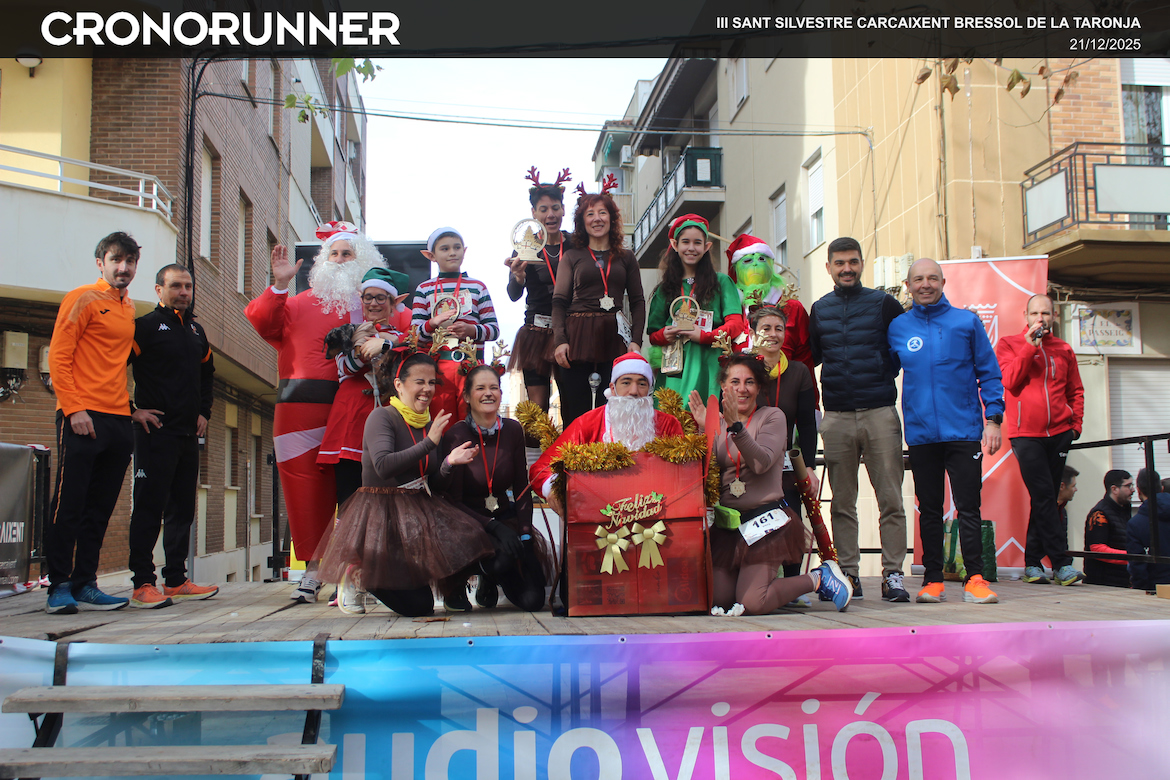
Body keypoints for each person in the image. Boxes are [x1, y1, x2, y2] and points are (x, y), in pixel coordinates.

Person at [245, 221, 387, 603]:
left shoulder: (372, 304)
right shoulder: (294, 303)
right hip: (300, 406)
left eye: (347, 253)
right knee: (304, 489)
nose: (339, 260)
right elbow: (262, 321)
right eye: (333, 253)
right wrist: (279, 285)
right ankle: (311, 571)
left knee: (357, 489)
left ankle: (356, 573)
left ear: (363, 260)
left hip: (356, 407)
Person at [314, 352, 495, 616]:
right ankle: (357, 573)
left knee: (423, 602)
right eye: (419, 382)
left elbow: (435, 483)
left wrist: (449, 463)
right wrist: (429, 443)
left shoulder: (429, 424)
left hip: (414, 513)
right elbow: (383, 466)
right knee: (417, 607)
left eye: (432, 382)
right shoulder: (382, 417)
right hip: (382, 514)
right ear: (399, 385)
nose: (427, 389)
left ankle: (381, 576)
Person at [686, 355, 852, 615]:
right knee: (717, 599)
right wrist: (702, 430)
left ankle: (818, 578)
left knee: (754, 602)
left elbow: (761, 463)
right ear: (723, 387)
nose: (742, 389)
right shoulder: (716, 422)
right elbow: (707, 471)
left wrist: (736, 427)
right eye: (735, 382)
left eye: (750, 382)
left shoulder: (773, 416)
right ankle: (750, 580)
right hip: (730, 524)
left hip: (765, 521)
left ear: (760, 387)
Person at [888, 258, 1004, 605]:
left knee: (969, 507)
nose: (925, 284)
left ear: (943, 282)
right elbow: (882, 371)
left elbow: (989, 372)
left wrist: (993, 419)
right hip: (922, 433)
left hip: (963, 431)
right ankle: (933, 580)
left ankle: (975, 579)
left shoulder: (966, 322)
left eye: (932, 278)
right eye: (918, 279)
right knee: (929, 509)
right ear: (908, 286)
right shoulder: (898, 327)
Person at [530, 352, 682, 613]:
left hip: (655, 527)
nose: (633, 391)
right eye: (626, 382)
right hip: (600, 528)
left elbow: (684, 472)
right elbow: (541, 468)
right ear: (612, 387)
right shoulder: (587, 423)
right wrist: (553, 488)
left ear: (650, 389)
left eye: (642, 383)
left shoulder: (668, 425)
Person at [43, 232, 140, 613]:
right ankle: (58, 585)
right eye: (116, 260)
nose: (123, 267)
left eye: (130, 261)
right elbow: (58, 356)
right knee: (69, 503)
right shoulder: (82, 298)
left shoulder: (128, 308)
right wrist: (73, 408)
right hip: (82, 416)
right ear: (101, 263)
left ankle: (85, 582)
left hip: (118, 420)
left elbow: (117, 364)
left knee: (100, 509)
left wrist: (132, 410)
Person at [808, 236, 909, 602]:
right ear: (829, 267)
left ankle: (893, 574)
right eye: (840, 263)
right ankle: (848, 574)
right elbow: (813, 357)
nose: (847, 268)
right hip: (836, 416)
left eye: (853, 262)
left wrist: (880, 374)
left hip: (879, 412)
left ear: (862, 263)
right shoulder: (820, 309)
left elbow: (901, 352)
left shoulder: (885, 304)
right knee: (841, 503)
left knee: (891, 499)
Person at [125, 264, 219, 609]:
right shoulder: (145, 327)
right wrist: (131, 409)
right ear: (159, 290)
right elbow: (113, 366)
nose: (183, 292)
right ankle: (142, 583)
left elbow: (208, 375)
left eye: (188, 286)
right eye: (176, 286)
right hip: (154, 433)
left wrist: (204, 412)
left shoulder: (196, 331)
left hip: (186, 434)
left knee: (182, 509)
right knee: (149, 508)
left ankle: (176, 580)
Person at [439, 365, 553, 611]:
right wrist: (493, 526)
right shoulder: (456, 435)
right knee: (500, 557)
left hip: (503, 518)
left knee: (533, 600)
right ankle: (467, 579)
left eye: (494, 388)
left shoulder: (512, 430)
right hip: (467, 523)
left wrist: (525, 534)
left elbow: (521, 486)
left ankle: (493, 578)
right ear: (467, 396)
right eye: (480, 388)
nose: (488, 393)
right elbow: (452, 501)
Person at [996, 294, 1086, 586]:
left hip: (1059, 433)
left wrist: (1075, 426)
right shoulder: (1010, 344)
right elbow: (1010, 381)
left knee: (1044, 498)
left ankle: (1033, 564)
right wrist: (1029, 347)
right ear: (1026, 316)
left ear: (1054, 317)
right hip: (1026, 435)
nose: (1040, 319)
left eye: (1045, 313)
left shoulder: (1064, 349)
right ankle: (1061, 564)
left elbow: (1076, 390)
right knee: (1045, 496)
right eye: (1035, 313)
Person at [551, 178, 645, 426]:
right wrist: (560, 340)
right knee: (575, 410)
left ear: (612, 218)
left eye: (602, 212)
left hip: (614, 337)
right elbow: (559, 302)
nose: (597, 219)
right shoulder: (572, 256)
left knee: (615, 408)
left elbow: (637, 301)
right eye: (590, 214)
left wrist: (636, 341)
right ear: (582, 222)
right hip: (577, 337)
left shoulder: (626, 257)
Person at [749, 306, 820, 601]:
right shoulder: (744, 369)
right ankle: (754, 581)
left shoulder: (799, 371)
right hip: (751, 459)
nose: (773, 334)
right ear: (753, 333)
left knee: (792, 518)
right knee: (753, 518)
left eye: (779, 329)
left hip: (787, 463)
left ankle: (793, 583)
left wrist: (809, 466)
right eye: (766, 328)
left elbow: (807, 424)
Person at [646, 214, 745, 401]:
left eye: (697, 243)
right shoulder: (664, 288)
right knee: (672, 414)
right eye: (685, 242)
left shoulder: (722, 282)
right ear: (675, 245)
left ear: (706, 247)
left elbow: (736, 324)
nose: (691, 248)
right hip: (674, 366)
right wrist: (664, 335)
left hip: (710, 363)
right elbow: (653, 334)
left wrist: (706, 336)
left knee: (708, 413)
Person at [410, 227, 500, 420]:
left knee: (473, 420)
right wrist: (432, 323)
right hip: (437, 369)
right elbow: (414, 336)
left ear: (464, 251)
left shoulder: (477, 287)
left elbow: (493, 330)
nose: (452, 253)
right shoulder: (424, 289)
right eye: (445, 249)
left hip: (471, 367)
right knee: (441, 420)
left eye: (457, 247)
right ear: (431, 255)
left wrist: (471, 330)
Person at [505, 167, 572, 413]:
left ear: (563, 209)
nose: (550, 215)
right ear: (533, 213)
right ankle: (536, 442)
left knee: (571, 402)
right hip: (536, 331)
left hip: (568, 331)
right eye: (543, 209)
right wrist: (519, 276)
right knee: (537, 408)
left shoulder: (575, 244)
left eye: (555, 208)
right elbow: (513, 295)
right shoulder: (525, 247)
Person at [723, 233, 815, 386]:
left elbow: (805, 361)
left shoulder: (793, 308)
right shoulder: (729, 310)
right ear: (736, 269)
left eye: (761, 259)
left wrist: (809, 400)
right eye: (747, 261)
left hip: (785, 393)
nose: (755, 264)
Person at [1084, 469, 1133, 587]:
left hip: (1121, 580)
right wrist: (1131, 556)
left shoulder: (1124, 509)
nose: (1133, 490)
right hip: (1104, 584)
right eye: (1128, 486)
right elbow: (1097, 548)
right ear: (1114, 489)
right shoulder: (1099, 513)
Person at [1128, 467, 1170, 592]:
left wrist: (1141, 589)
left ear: (1139, 491)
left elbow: (1137, 565)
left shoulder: (1135, 524)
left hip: (1156, 588)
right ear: (1161, 488)